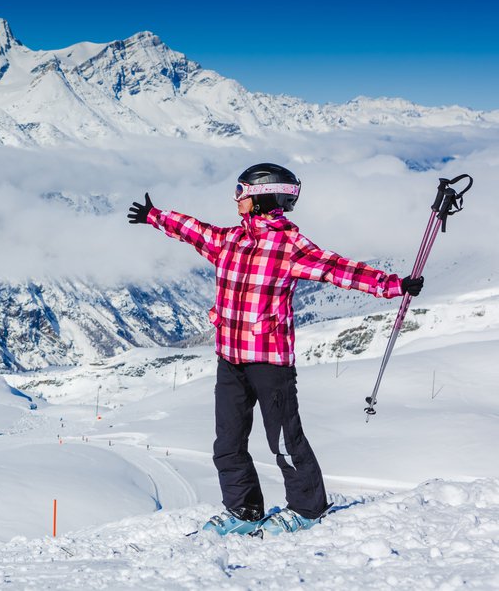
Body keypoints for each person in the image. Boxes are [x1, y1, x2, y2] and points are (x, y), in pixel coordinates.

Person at [127, 163, 423, 536]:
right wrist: (156, 216)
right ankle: (244, 510)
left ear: (263, 196)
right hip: (230, 358)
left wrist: (393, 285)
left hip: (270, 363)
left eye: (242, 190)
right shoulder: (231, 241)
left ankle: (308, 508)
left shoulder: (290, 246)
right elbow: (195, 232)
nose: (237, 197)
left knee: (284, 441)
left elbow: (338, 270)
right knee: (227, 442)